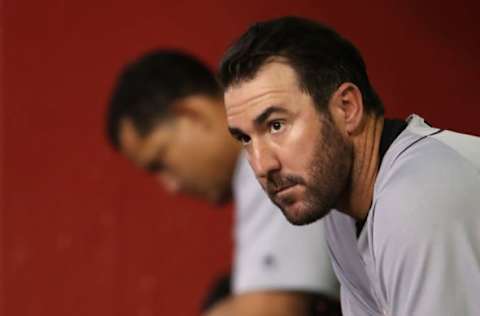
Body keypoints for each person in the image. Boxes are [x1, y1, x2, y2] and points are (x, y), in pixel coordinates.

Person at [219, 16, 480, 316]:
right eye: (245, 139)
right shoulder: (342, 213)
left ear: (347, 108)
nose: (262, 165)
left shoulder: (419, 198)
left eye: (276, 125)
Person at [105, 50, 340, 316]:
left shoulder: (270, 157)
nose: (171, 186)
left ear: (192, 114)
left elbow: (270, 311)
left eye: (160, 161)